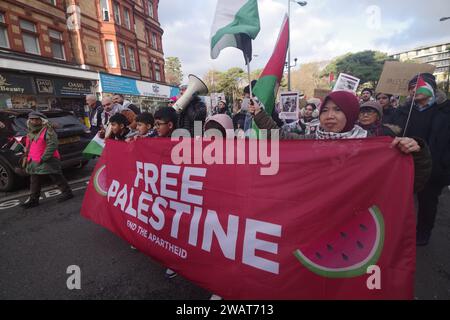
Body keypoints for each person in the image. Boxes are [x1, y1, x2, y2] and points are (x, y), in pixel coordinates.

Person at [250, 90, 431, 192]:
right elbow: (280, 137)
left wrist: (416, 151)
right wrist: (259, 113)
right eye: (325, 110)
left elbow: (411, 183)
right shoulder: (311, 139)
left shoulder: (374, 144)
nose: (329, 116)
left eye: (337, 110)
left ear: (351, 113)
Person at [393, 73, 450, 246]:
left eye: (418, 85)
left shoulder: (445, 111)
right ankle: (398, 230)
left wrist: (444, 163)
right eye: (410, 88)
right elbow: (391, 131)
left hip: (435, 167)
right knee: (401, 200)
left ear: (432, 88)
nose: (413, 90)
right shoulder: (403, 111)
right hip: (406, 164)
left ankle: (423, 231)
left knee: (428, 203)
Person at [20, 112, 74, 209]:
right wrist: (26, 154)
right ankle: (34, 200)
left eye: (36, 119)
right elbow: (29, 145)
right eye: (32, 119)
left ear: (42, 120)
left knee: (56, 176)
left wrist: (43, 158)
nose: (34, 121)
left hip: (47, 159)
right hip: (33, 159)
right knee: (34, 180)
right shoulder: (30, 132)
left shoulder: (48, 130)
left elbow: (52, 145)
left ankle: (67, 193)